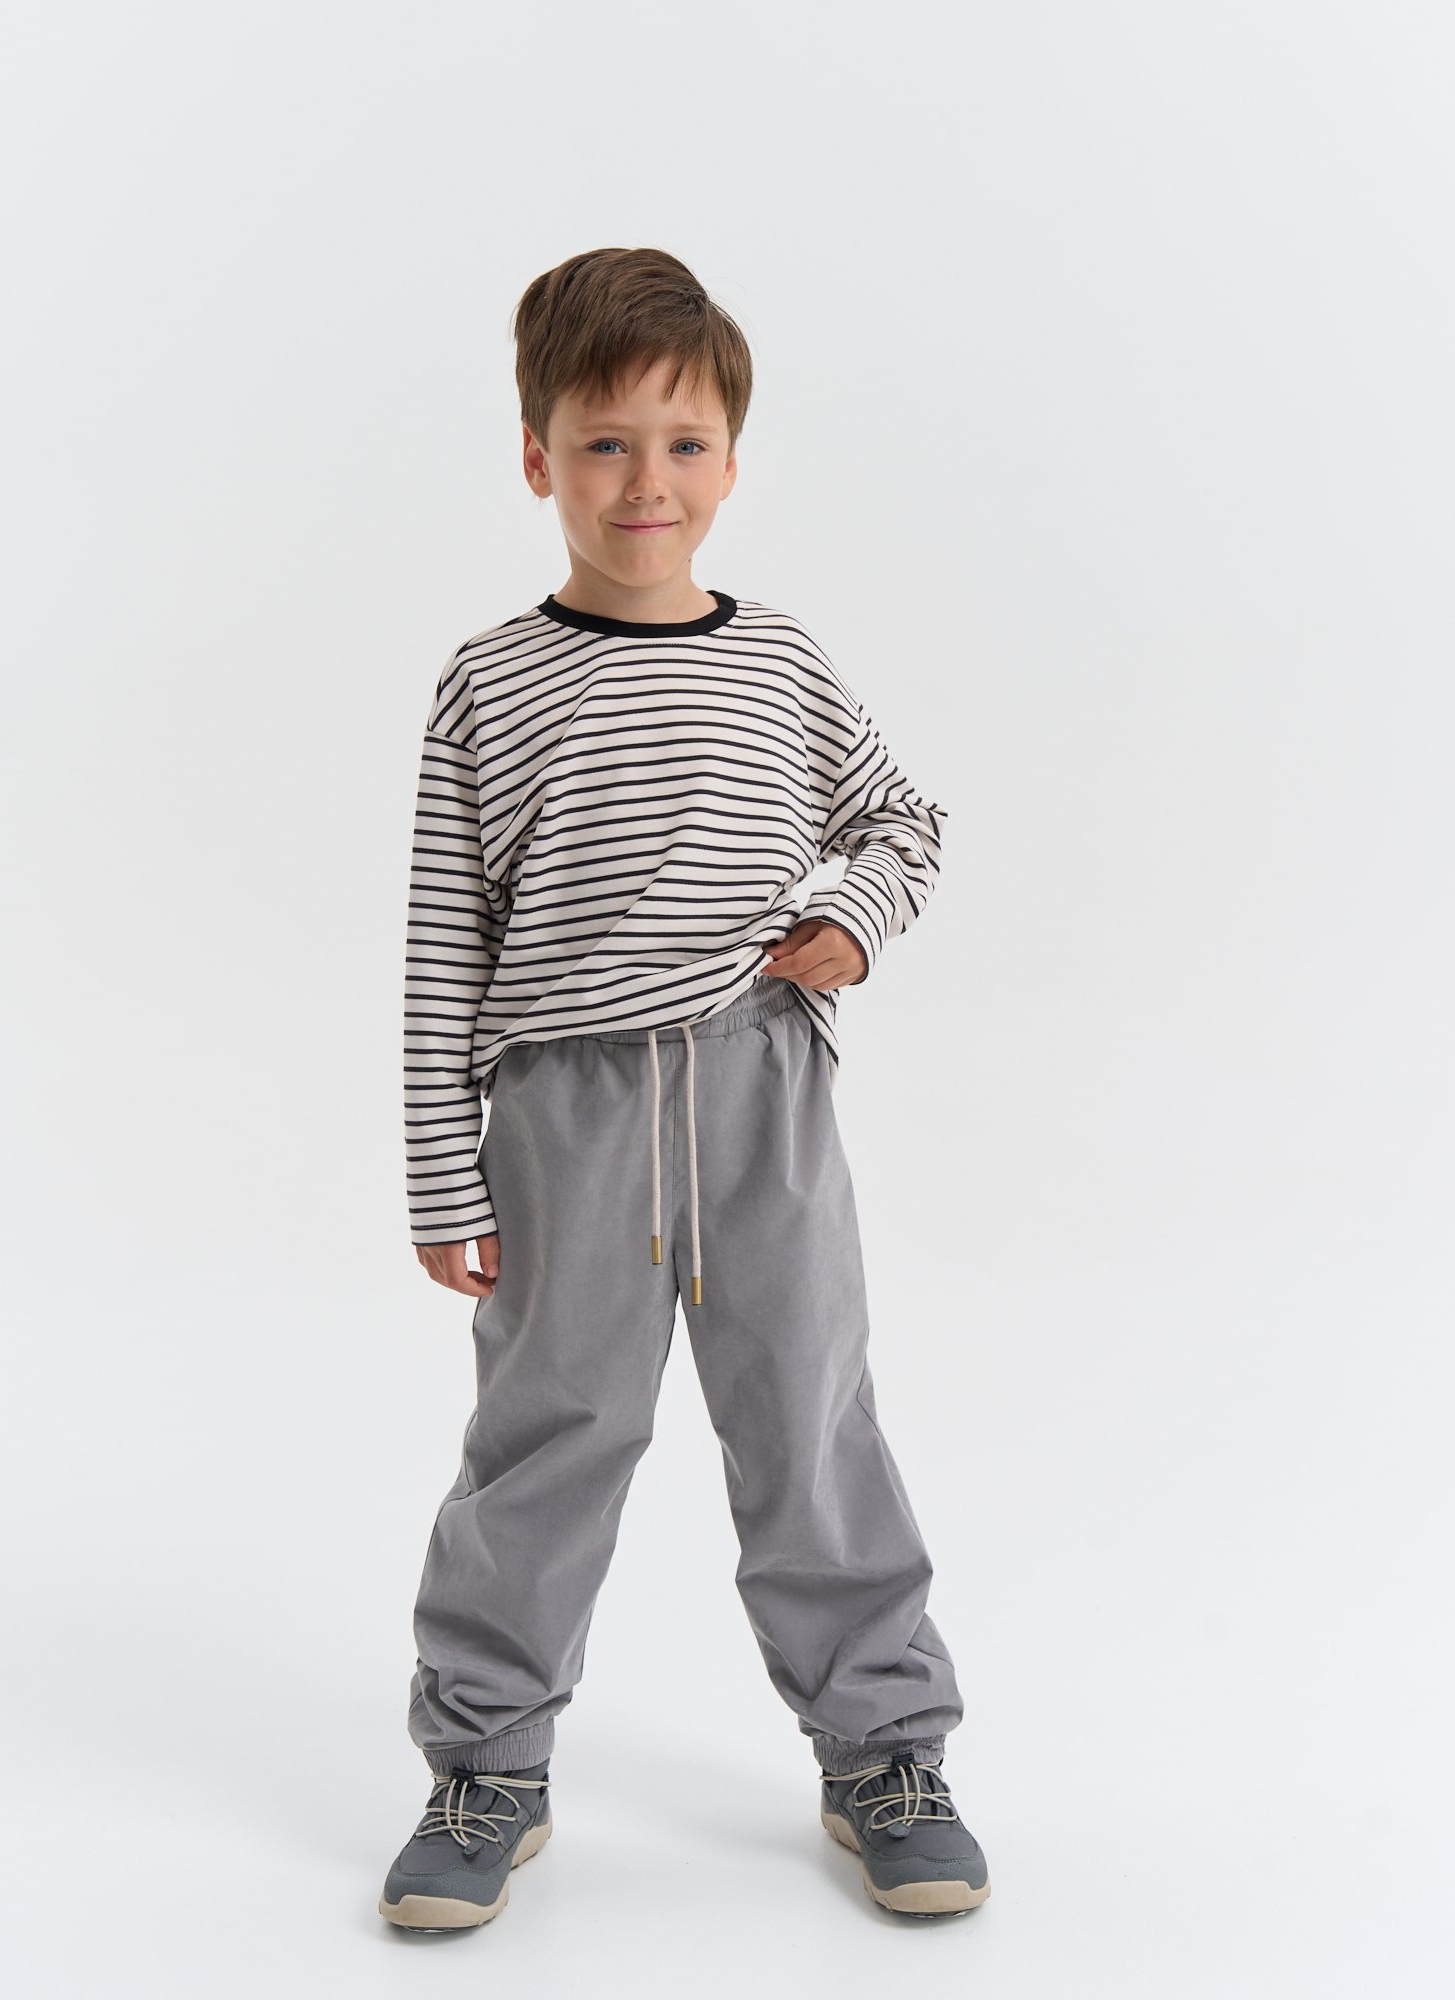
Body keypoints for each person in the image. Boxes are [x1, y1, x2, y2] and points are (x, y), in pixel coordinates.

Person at [378, 246, 990, 1930]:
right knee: (548, 1438)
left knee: (809, 1421)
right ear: (538, 459)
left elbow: (904, 818)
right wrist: (441, 1172)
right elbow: (443, 944)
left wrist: (851, 927)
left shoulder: (781, 660)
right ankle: (487, 1764)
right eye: (604, 443)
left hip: (758, 1095)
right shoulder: (489, 681)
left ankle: (883, 1749)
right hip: (562, 1117)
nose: (645, 481)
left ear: (730, 461)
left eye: (684, 443)